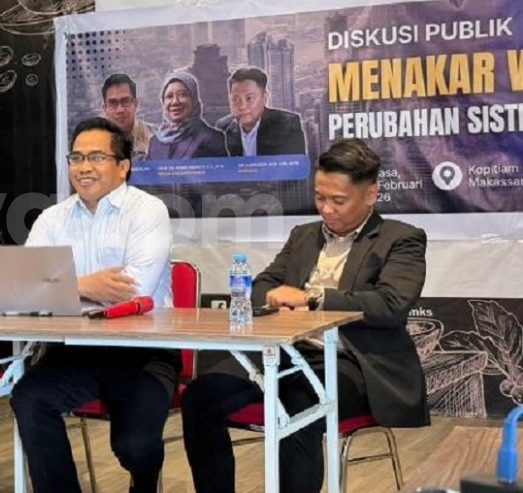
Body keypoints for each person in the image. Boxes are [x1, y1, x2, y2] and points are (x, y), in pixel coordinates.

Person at [180, 138, 429, 493]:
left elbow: (391, 305)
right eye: (319, 197)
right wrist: (274, 297)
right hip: (284, 354)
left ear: (371, 194)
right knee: (200, 397)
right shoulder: (304, 236)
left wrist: (311, 299)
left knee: (297, 409)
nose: (326, 209)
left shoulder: (400, 239)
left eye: (338, 201)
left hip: (352, 362)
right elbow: (264, 284)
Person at [11, 116, 177, 493]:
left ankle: (145, 484)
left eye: (96, 157)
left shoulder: (147, 211)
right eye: (76, 157)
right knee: (29, 398)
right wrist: (86, 285)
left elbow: (134, 291)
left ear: (123, 166)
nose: (83, 167)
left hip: (143, 351)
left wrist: (57, 286)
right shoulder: (52, 218)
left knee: (135, 446)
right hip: (75, 348)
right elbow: (22, 285)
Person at [216, 66, 307, 156]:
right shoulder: (223, 127)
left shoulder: (287, 124)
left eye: (249, 98)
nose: (242, 106)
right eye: (235, 99)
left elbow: (295, 164)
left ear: (264, 98)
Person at [145, 70, 231, 160]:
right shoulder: (155, 142)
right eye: (169, 96)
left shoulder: (212, 139)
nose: (175, 102)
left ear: (194, 99)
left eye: (182, 95)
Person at [101, 73, 154, 160]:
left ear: (136, 104)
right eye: (113, 103)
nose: (120, 110)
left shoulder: (158, 139)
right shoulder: (93, 145)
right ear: (104, 108)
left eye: (125, 101)